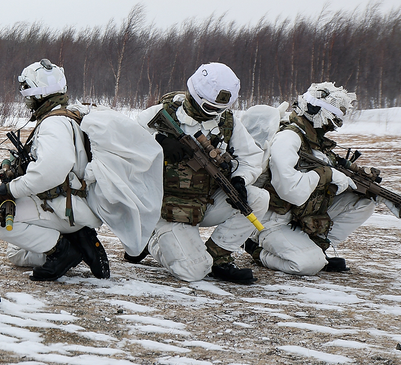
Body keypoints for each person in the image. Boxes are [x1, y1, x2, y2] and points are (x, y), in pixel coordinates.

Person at [137, 62, 268, 284]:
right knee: (193, 272)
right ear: (196, 96)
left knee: (258, 199)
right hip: (165, 207)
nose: (215, 114)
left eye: (220, 109)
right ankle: (151, 241)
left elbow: (251, 157)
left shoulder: (227, 122)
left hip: (204, 201)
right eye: (210, 108)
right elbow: (121, 145)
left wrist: (240, 179)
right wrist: (157, 143)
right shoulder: (161, 114)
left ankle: (219, 257)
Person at [0, 59, 110, 282]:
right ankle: (76, 240)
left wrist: (6, 191)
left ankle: (63, 250)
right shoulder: (70, 115)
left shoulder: (53, 124)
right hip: (75, 205)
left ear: (37, 94)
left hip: (64, 207)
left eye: (27, 92)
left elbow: (51, 171)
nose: (25, 97)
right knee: (17, 254)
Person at [246, 83, 375, 275]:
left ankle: (315, 248)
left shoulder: (314, 138)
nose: (336, 123)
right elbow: (291, 192)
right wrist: (326, 174)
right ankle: (256, 249)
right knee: (307, 265)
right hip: (272, 220)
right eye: (336, 116)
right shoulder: (289, 138)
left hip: (299, 215)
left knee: (364, 202)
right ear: (318, 111)